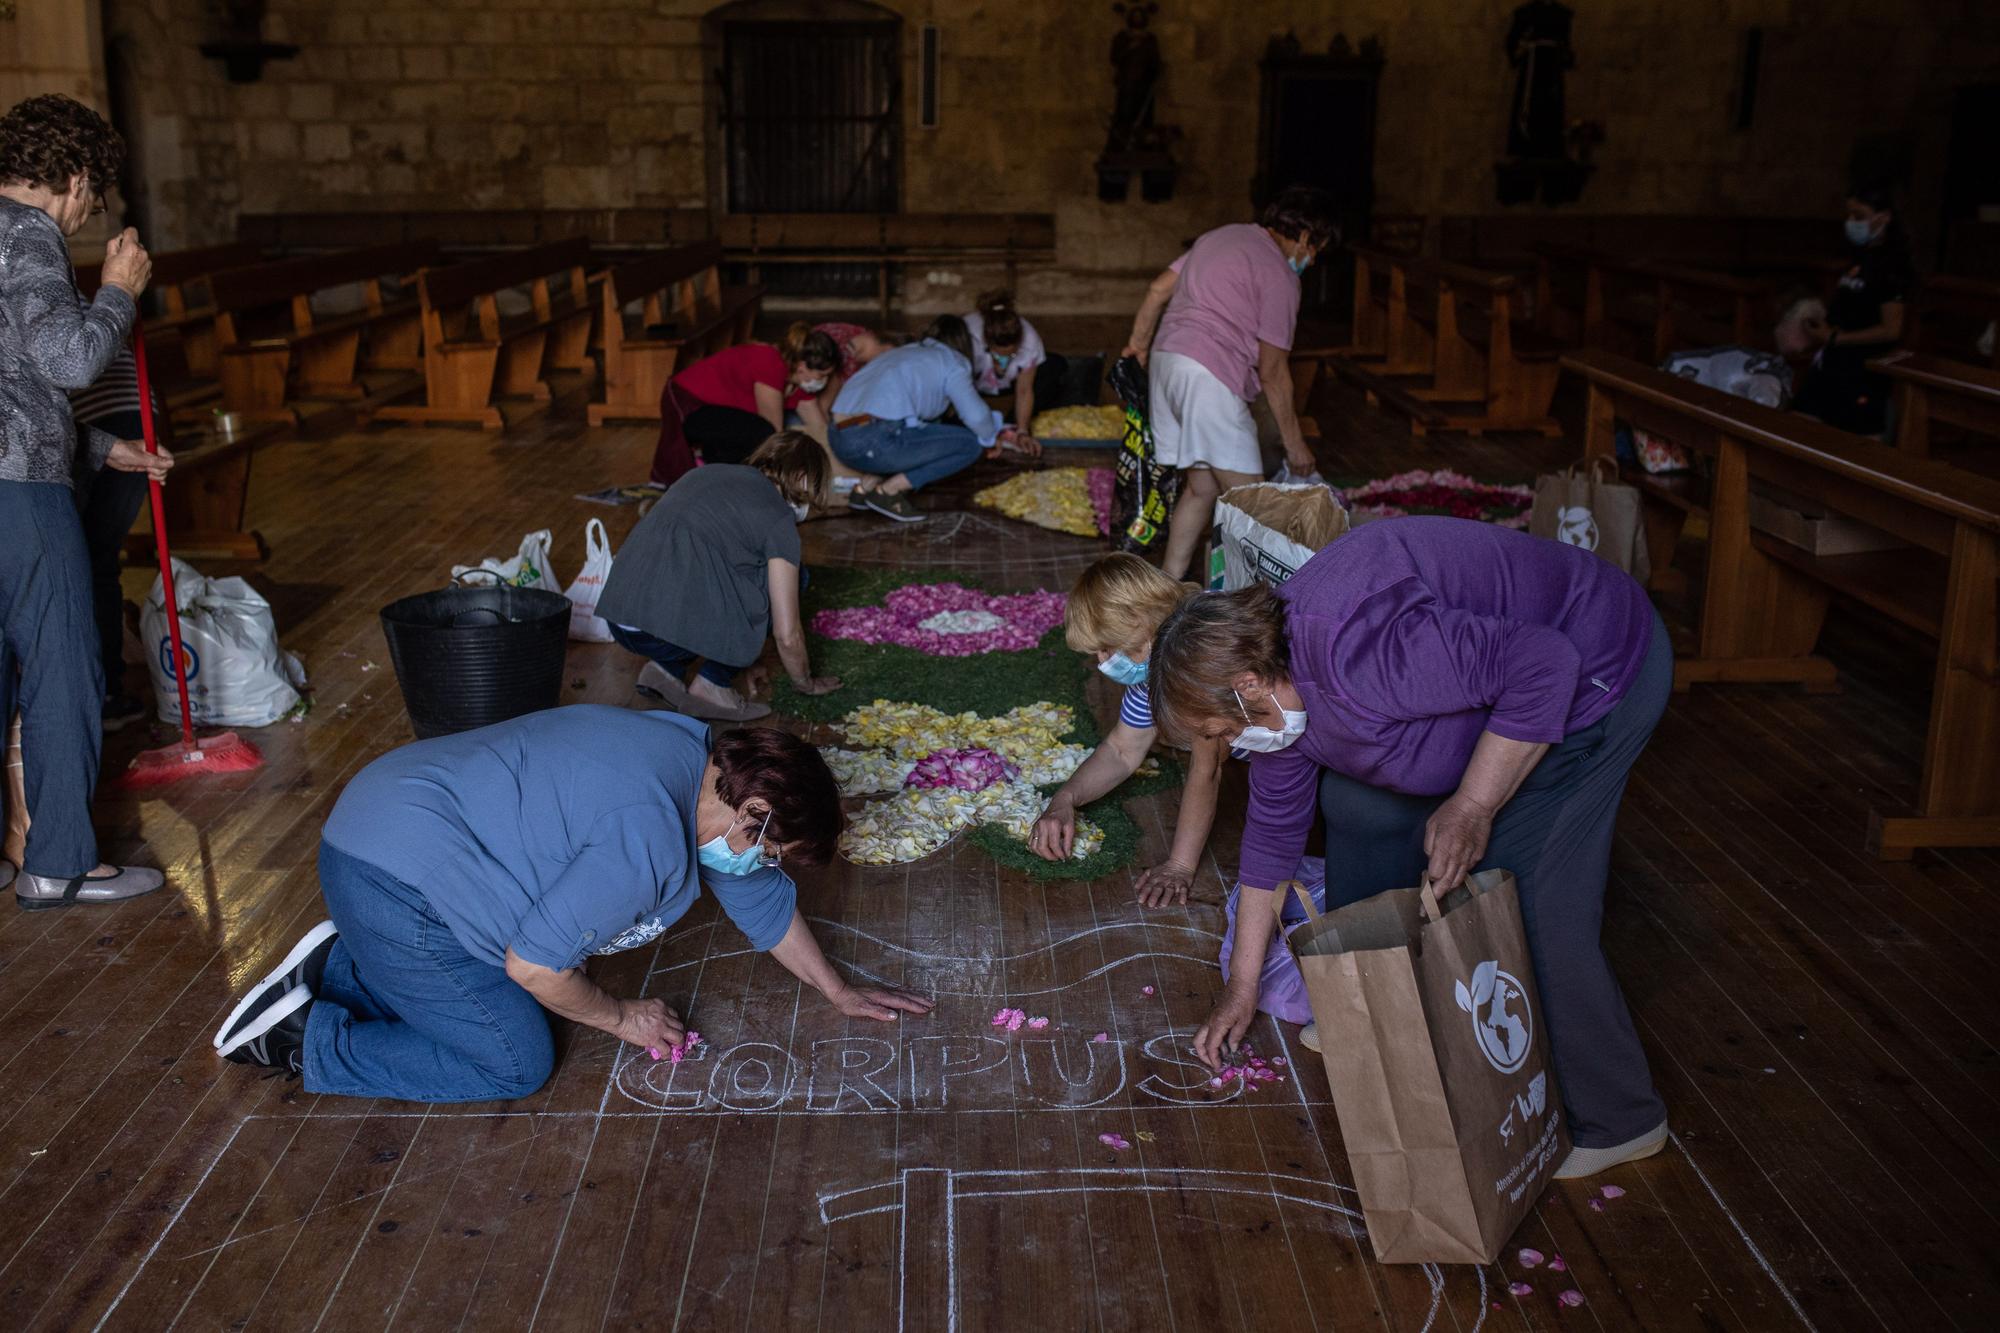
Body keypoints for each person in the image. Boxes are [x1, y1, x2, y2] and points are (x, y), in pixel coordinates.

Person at [1146, 516, 1673, 1180]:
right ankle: (1367, 1005)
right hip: (1507, 683)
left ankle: (1622, 1115)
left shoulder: (1357, 653)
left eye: (1219, 728)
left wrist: (1474, 805)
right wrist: (1241, 986)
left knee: (1525, 890)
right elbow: (1271, 841)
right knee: (1357, 805)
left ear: (1247, 684)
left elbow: (1546, 664)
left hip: (1598, 668)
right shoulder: (1278, 710)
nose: (1224, 745)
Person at [211, 709, 935, 1098]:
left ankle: (347, 964)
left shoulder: (699, 760)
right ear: (751, 810)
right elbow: (533, 965)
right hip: (392, 878)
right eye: (769, 849)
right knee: (512, 1059)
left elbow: (761, 899)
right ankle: (307, 1039)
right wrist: (623, 1016)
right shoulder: (646, 839)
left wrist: (837, 989)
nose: (760, 865)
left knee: (500, 997)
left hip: (391, 827)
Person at [1, 93, 173, 909]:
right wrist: (118, 290)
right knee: (66, 665)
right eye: (88, 203)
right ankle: (60, 860)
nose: (82, 217)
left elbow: (13, 384)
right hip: (23, 498)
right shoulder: (28, 240)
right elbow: (69, 363)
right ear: (71, 179)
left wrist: (107, 446)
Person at [1120, 186, 1337, 580]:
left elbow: (1156, 291)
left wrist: (1137, 344)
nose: (1313, 258)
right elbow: (1273, 370)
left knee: (1202, 489)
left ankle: (1168, 587)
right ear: (1305, 236)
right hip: (1208, 375)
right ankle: (1249, 608)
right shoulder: (1280, 276)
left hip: (1168, 364)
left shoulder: (1219, 236)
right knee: (1255, 505)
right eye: (1316, 248)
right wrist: (1295, 444)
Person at [597, 430, 840, 724]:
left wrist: (750, 655)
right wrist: (805, 682)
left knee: (706, 571)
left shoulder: (708, 473)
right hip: (657, 633)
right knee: (795, 578)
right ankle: (712, 686)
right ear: (802, 476)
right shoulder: (778, 517)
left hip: (618, 614)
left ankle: (663, 672)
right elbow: (787, 634)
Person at [1028, 554, 1221, 908]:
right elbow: (1122, 750)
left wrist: (1180, 866)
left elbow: (1207, 770)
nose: (1103, 662)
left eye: (1109, 647)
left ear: (1141, 622)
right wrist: (1064, 800)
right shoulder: (1153, 664)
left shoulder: (1198, 662)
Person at [829, 314, 1019, 523]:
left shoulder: (902, 352)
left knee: (918, 434)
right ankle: (888, 492)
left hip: (839, 439)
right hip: (874, 440)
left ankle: (863, 490)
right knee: (970, 445)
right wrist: (990, 438)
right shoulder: (952, 361)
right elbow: (976, 416)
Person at [70, 343, 157, 732]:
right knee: (100, 561)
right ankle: (107, 692)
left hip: (86, 427)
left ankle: (93, 695)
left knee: (79, 564)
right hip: (136, 415)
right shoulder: (83, 296)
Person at [1790, 183, 1915, 437]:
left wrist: (1837, 337)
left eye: (1859, 216)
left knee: (1849, 447)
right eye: (1849, 215)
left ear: (1884, 217)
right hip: (1832, 363)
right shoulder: (1860, 257)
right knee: (1796, 430)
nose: (1851, 222)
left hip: (1862, 371)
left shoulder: (1893, 268)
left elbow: (1891, 329)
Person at [648, 322, 840, 487]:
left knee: (764, 434)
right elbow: (773, 433)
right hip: (689, 404)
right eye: (821, 376)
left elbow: (820, 429)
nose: (822, 381)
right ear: (802, 367)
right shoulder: (771, 362)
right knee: (763, 433)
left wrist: (836, 470)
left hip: (716, 413)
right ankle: (716, 469)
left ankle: (716, 466)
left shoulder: (796, 383)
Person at [964, 289, 1088, 456]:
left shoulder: (1030, 339)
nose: (1004, 359)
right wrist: (987, 434)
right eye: (997, 353)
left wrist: (1021, 431)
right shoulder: (969, 336)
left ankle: (1010, 425)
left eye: (1012, 354)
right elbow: (959, 390)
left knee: (1055, 365)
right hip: (970, 385)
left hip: (1007, 382)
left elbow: (1024, 390)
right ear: (987, 341)